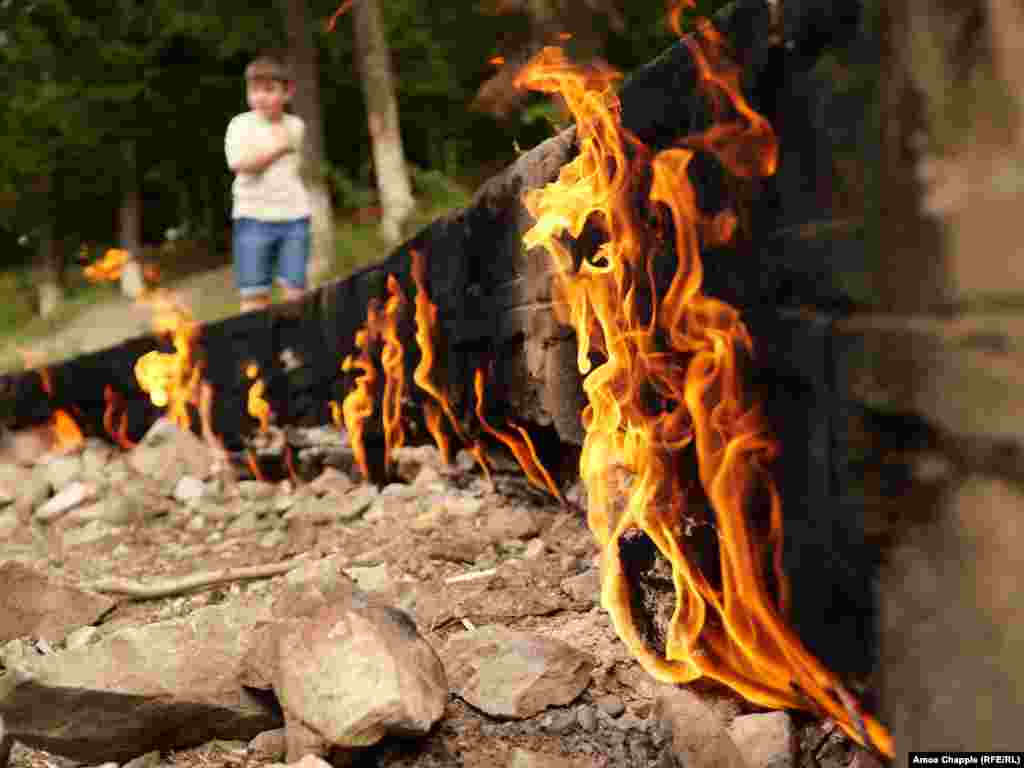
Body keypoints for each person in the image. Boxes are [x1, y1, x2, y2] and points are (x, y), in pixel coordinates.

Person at [224, 54, 311, 313]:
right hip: (253, 218)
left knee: (295, 296)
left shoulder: (295, 125)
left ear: (288, 92)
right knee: (254, 298)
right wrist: (277, 150)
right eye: (254, 90)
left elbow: (276, 148)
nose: (260, 97)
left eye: (269, 90)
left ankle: (294, 350)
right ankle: (256, 352)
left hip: (294, 218)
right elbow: (240, 164)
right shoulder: (240, 125)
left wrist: (270, 151)